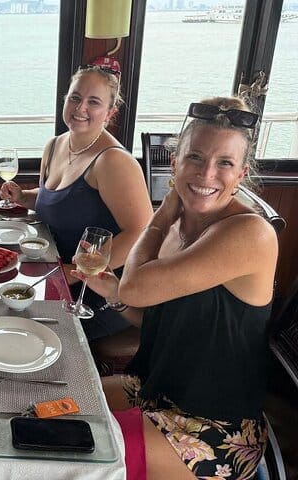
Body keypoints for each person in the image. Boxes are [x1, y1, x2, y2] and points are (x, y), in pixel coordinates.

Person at [74, 96, 278, 479]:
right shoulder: (179, 227)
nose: (206, 174)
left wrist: (161, 214)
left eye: (225, 163)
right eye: (195, 157)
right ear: (175, 162)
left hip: (213, 427)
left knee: (70, 453)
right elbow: (151, 313)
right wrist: (113, 292)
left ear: (242, 173)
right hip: (153, 390)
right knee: (50, 408)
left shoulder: (251, 234)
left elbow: (136, 288)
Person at [0, 65, 153, 340]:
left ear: (110, 113)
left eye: (93, 102)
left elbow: (141, 232)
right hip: (56, 272)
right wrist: (23, 197)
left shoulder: (113, 161)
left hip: (99, 291)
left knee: (30, 335)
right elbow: (56, 202)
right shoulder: (54, 145)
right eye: (75, 97)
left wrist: (79, 270)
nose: (81, 108)